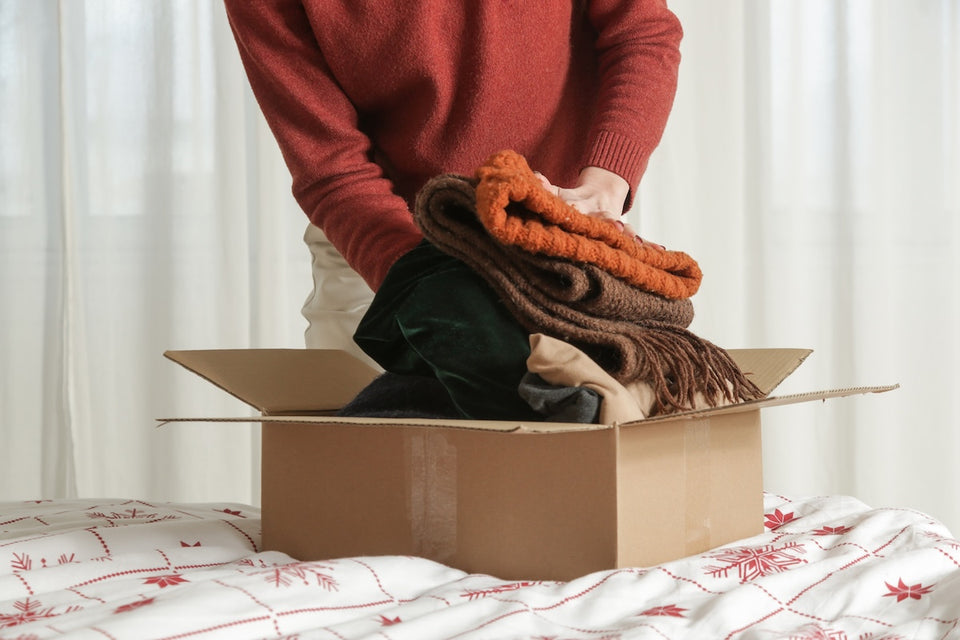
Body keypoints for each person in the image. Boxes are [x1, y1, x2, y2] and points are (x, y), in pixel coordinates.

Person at [223, 0, 683, 376]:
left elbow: (641, 33)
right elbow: (332, 167)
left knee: (571, 463)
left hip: (564, 233)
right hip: (383, 245)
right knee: (372, 467)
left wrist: (602, 187)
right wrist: (427, 283)